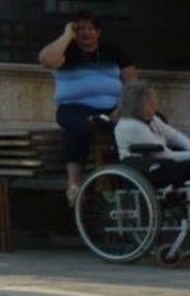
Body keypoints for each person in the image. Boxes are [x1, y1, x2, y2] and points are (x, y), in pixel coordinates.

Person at [39, 12, 136, 201]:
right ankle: (74, 185)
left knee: (151, 119)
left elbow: (132, 84)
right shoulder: (66, 50)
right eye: (80, 28)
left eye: (90, 28)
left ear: (98, 32)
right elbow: (46, 60)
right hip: (74, 107)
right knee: (79, 129)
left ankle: (132, 177)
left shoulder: (114, 50)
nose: (86, 32)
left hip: (112, 108)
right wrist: (67, 35)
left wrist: (121, 108)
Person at [111, 78, 190, 196]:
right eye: (151, 98)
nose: (156, 101)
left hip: (160, 163)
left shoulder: (151, 118)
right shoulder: (131, 126)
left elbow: (174, 136)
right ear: (141, 103)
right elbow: (166, 155)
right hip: (148, 170)